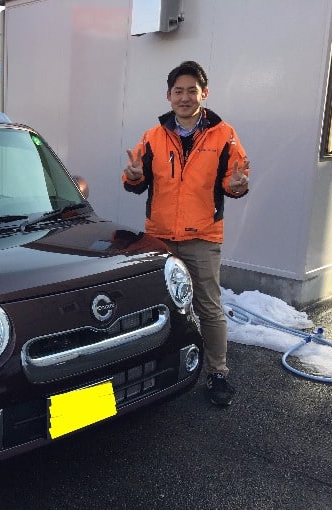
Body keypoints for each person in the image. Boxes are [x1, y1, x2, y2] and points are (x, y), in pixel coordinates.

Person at [123, 60, 250, 407]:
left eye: (191, 90)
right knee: (161, 306)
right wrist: (134, 175)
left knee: (208, 307)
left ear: (203, 94)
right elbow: (135, 182)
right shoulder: (153, 136)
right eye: (178, 90)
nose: (184, 97)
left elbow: (234, 180)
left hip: (202, 237)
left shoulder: (224, 135)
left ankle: (217, 373)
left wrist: (237, 185)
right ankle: (159, 369)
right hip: (161, 238)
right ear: (168, 95)